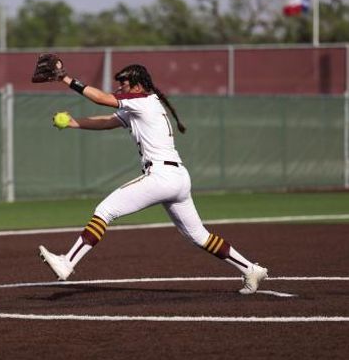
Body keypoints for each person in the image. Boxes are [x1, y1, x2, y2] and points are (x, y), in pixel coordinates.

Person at [39, 63, 268, 294]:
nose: (120, 87)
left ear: (138, 86)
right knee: (200, 236)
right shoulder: (141, 105)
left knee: (105, 210)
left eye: (125, 83)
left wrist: (65, 78)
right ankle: (250, 269)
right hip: (177, 177)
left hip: (161, 176)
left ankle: (67, 262)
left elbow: (100, 98)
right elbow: (107, 121)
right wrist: (72, 122)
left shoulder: (142, 101)